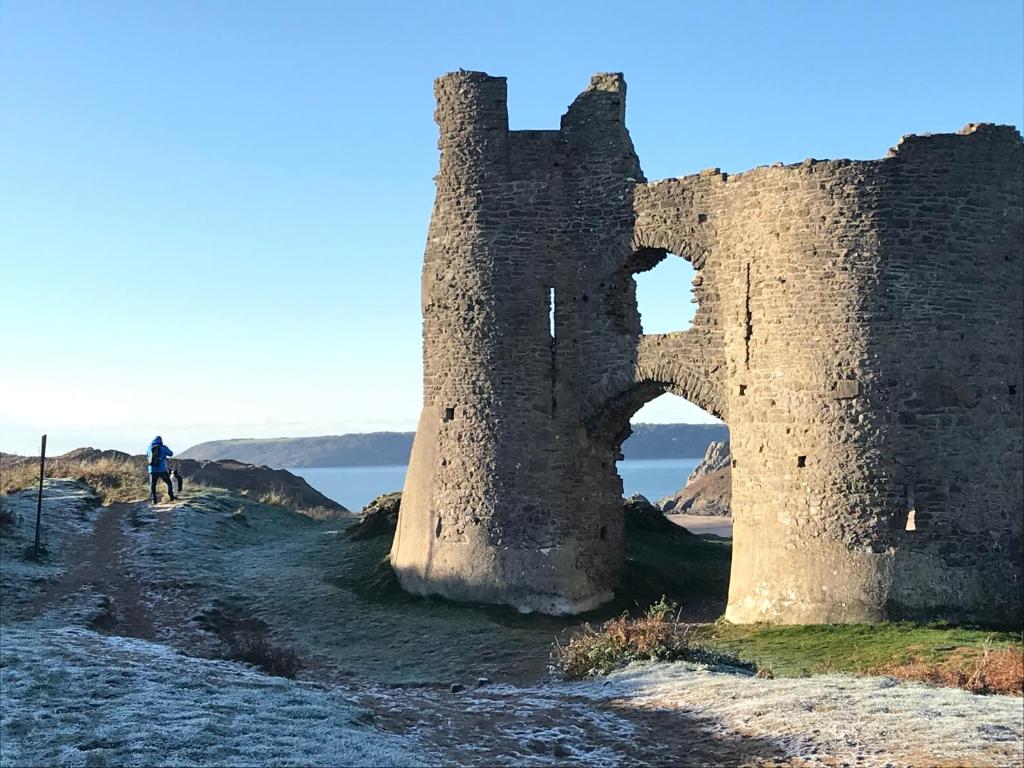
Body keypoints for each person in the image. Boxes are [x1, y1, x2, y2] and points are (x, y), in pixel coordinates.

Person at [147, 435, 176, 503]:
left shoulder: (149, 448)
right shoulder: (163, 447)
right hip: (162, 469)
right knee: (169, 483)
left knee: (153, 485)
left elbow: (147, 456)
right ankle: (171, 497)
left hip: (152, 469)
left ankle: (154, 500)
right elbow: (171, 454)